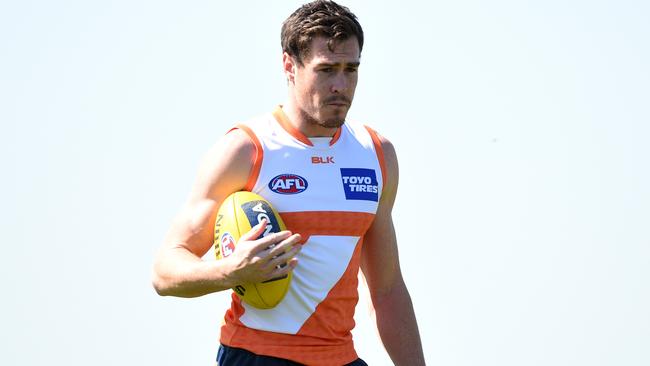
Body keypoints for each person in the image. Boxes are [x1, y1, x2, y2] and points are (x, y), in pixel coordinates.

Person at [152, 1, 425, 365]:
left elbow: (387, 291)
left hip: (340, 357)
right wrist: (228, 271)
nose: (341, 86)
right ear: (289, 66)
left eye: (351, 69)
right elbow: (165, 270)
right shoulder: (246, 150)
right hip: (256, 355)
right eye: (326, 70)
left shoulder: (376, 154)